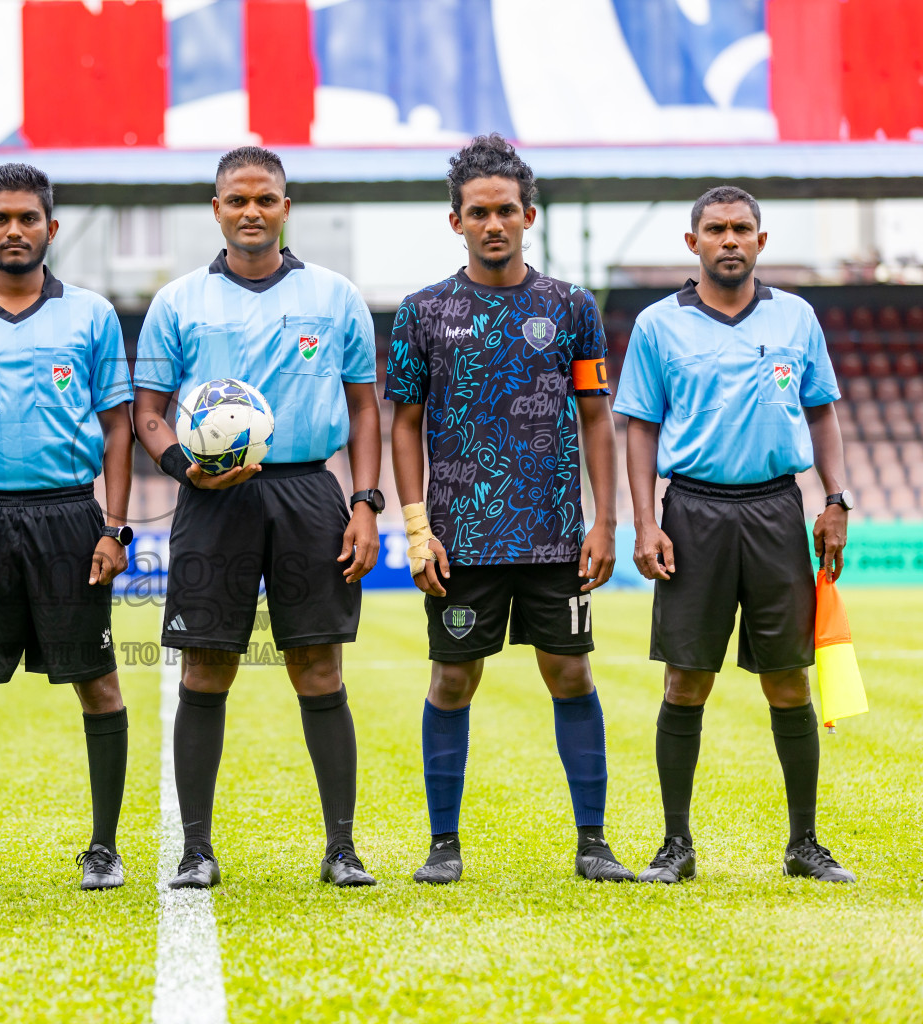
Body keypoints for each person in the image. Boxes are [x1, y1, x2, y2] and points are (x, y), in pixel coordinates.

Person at [133, 146, 382, 889]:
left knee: (317, 665)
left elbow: (367, 408)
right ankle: (196, 850)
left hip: (310, 492)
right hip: (213, 501)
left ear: (285, 206)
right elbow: (148, 414)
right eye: (237, 199)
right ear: (216, 209)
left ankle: (342, 849)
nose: (251, 211)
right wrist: (189, 471)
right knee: (207, 667)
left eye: (265, 199)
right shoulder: (179, 302)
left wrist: (365, 501)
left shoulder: (335, 296)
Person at [385, 134, 632, 884]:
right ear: (454, 221)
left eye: (507, 210)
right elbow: (403, 420)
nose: (494, 223)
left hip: (555, 536)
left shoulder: (571, 307)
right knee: (452, 682)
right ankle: (443, 845)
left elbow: (596, 414)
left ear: (529, 215)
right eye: (479, 212)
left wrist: (604, 520)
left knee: (572, 676)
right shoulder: (423, 311)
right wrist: (419, 528)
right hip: (460, 541)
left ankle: (593, 844)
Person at [616, 185, 856, 884]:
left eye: (741, 229)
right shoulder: (660, 326)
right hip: (692, 512)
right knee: (686, 678)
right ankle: (676, 845)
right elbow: (639, 428)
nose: (729, 239)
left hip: (778, 510)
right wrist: (645, 519)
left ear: (761, 240)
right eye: (715, 229)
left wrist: (834, 499)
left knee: (788, 679)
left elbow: (822, 413)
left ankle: (804, 844)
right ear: (692, 243)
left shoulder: (796, 318)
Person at [0, 164, 134, 893]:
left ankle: (103, 848)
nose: (15, 230)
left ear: (51, 228)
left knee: (97, 683)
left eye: (28, 218)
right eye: (1, 219)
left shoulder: (93, 316)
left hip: (71, 518)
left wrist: (116, 528)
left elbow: (117, 426)